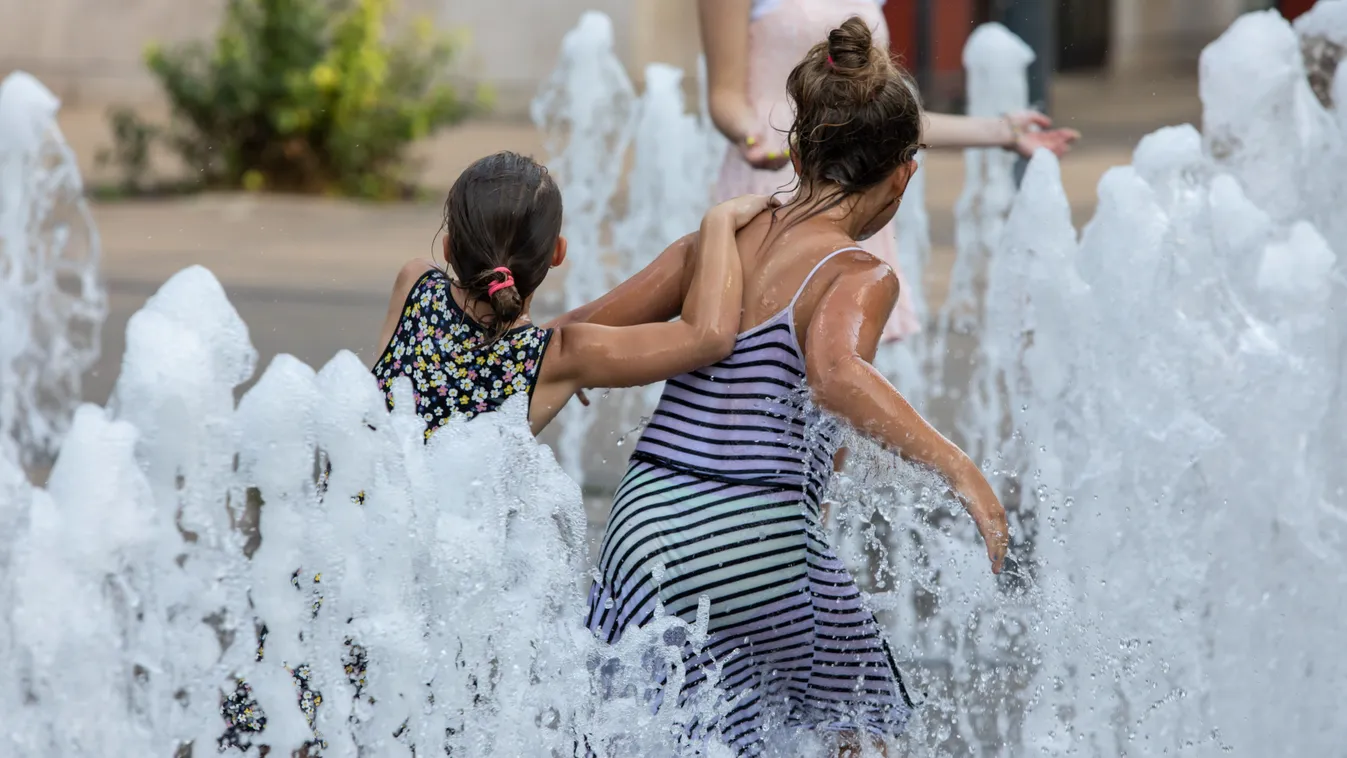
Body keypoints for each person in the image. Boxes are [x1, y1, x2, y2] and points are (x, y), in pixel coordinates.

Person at [555, 18, 1009, 757]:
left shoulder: (721, 242)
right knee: (860, 729)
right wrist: (959, 468)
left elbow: (577, 334)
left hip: (641, 530)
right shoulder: (857, 273)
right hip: (751, 534)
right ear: (903, 175)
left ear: (796, 152)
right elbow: (834, 377)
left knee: (678, 733)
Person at [700, 0, 1080, 343]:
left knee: (837, 349)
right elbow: (724, 97)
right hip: (775, 171)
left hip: (856, 180)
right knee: (752, 343)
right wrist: (751, 137)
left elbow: (886, 118)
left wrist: (1003, 131)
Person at [372, 151, 774, 435]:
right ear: (558, 254)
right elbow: (708, 338)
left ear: (447, 248)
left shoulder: (415, 284)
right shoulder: (560, 356)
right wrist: (719, 222)